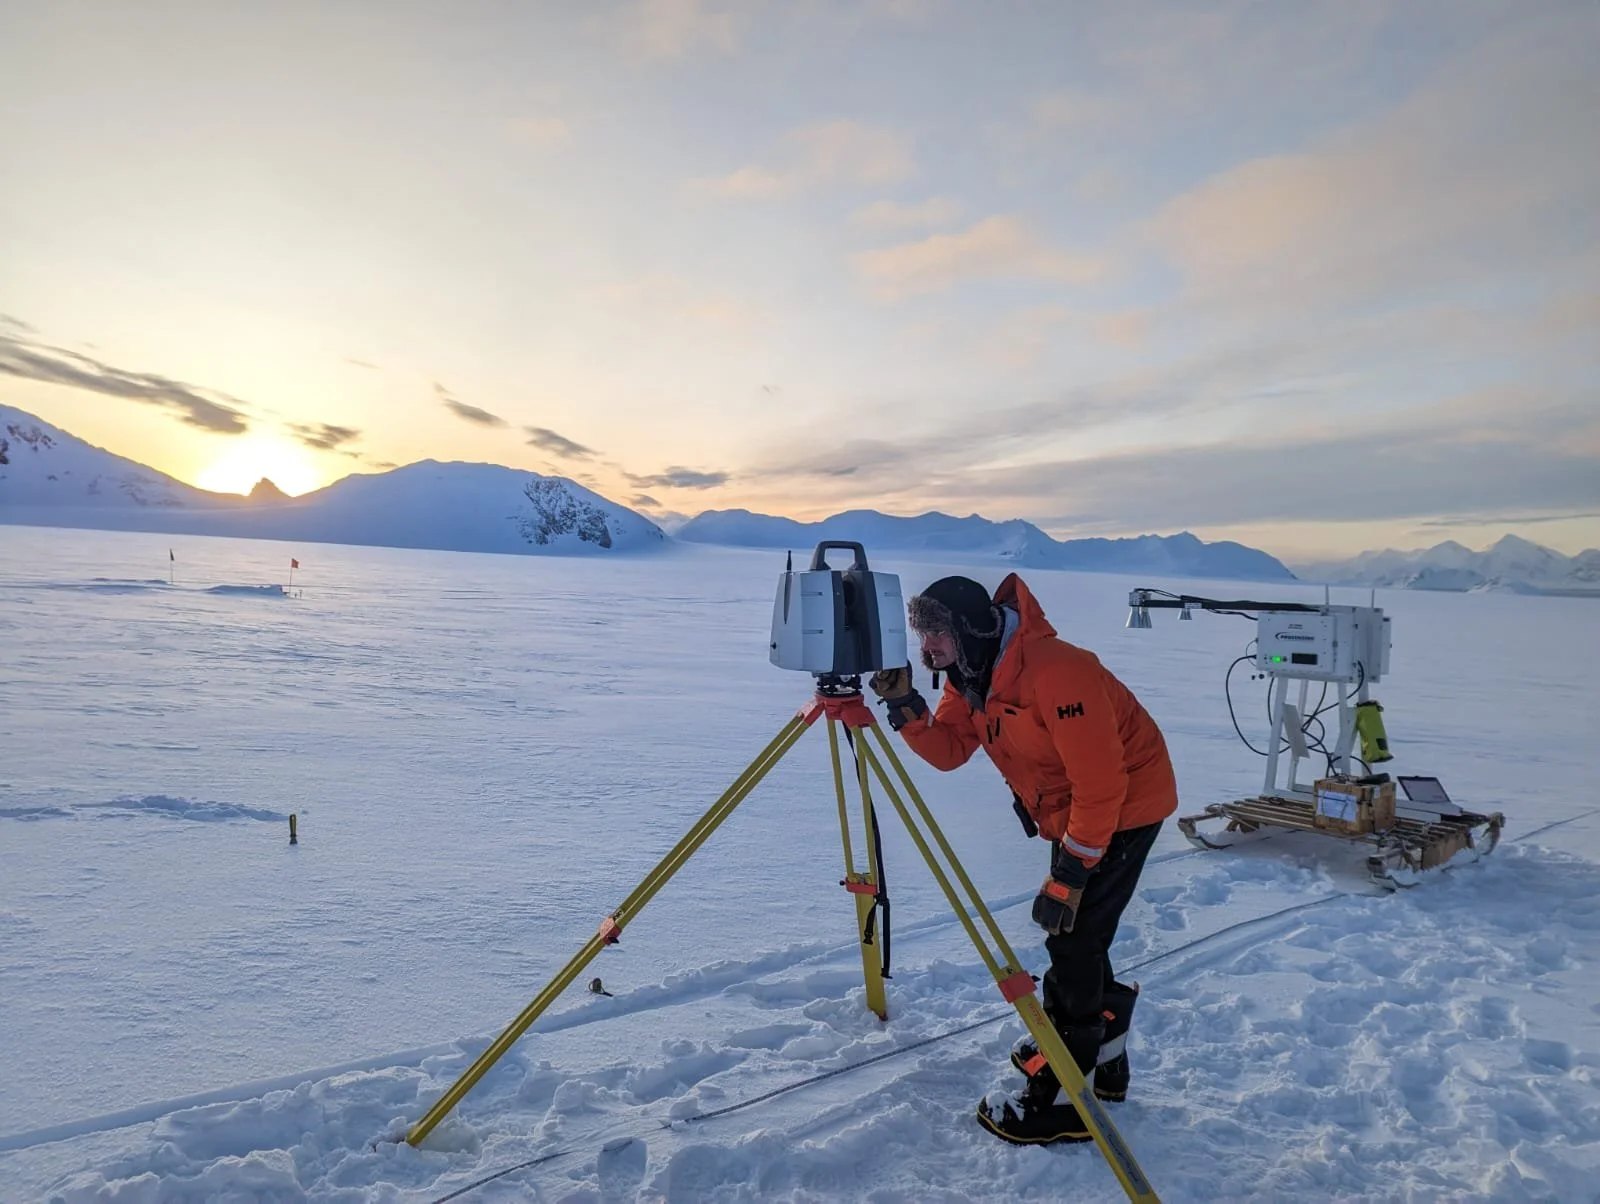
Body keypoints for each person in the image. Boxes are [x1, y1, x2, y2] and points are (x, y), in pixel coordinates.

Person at [868, 573, 1178, 1146]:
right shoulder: (972, 675)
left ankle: (1068, 1094)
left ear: (968, 628)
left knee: (1073, 939)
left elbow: (1102, 783)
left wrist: (1072, 870)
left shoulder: (1059, 671)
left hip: (1123, 805)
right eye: (921, 636)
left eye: (935, 634)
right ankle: (1105, 1055)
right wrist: (907, 704)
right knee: (1081, 936)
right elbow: (951, 752)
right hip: (1076, 810)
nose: (926, 649)